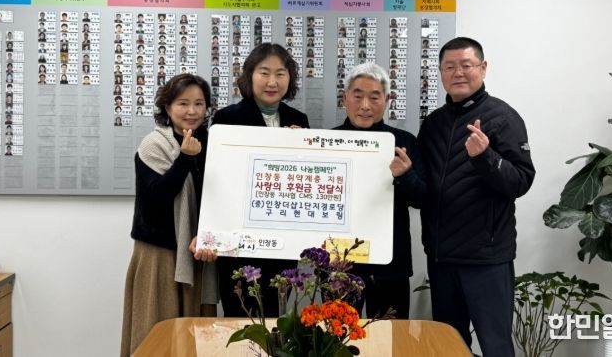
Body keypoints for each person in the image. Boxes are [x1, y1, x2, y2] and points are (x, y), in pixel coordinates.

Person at [417, 37, 535, 357]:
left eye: (466, 65)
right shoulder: (433, 124)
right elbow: (424, 189)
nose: (458, 73)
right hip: (442, 259)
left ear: (483, 68)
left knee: (496, 346)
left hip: (486, 259)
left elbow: (521, 181)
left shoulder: (503, 117)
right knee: (448, 346)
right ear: (441, 72)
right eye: (449, 67)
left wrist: (485, 157)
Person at [121, 73, 218, 357]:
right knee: (156, 334)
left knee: (196, 339)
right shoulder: (154, 144)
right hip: (159, 254)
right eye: (183, 103)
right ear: (167, 107)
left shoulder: (213, 142)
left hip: (199, 252)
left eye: (199, 103)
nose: (192, 111)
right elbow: (156, 201)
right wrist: (185, 158)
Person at [211, 43, 309, 317]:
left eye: (280, 73)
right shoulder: (226, 118)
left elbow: (303, 181)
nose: (272, 82)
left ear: (289, 78)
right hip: (240, 238)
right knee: (241, 317)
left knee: (277, 316)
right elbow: (218, 177)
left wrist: (299, 149)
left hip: (283, 238)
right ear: (249, 76)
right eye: (264, 73)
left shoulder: (298, 119)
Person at [333, 63, 425, 319]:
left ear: (387, 100)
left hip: (390, 264)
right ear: (344, 98)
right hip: (340, 262)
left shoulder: (404, 142)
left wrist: (405, 175)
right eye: (357, 96)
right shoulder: (328, 141)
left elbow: (421, 199)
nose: (365, 106)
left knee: (390, 336)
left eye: (374, 97)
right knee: (336, 334)